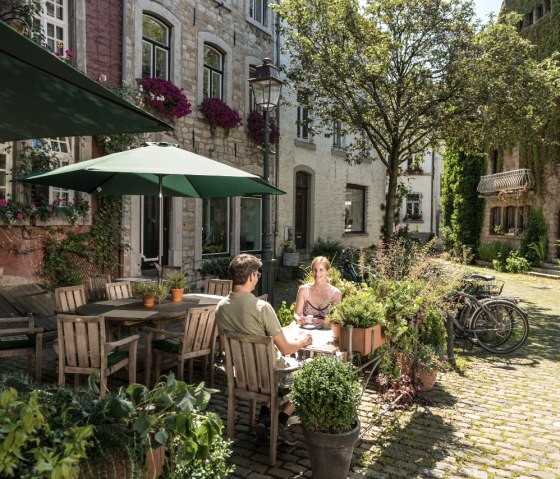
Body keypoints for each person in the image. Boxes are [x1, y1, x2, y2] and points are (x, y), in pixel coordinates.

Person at [215, 253, 312, 446]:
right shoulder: (262, 307)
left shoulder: (221, 307)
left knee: (265, 367)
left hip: (242, 376)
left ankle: (264, 416)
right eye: (258, 274)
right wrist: (303, 341)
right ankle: (282, 420)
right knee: (310, 374)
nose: (258, 278)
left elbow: (225, 347)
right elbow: (284, 348)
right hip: (272, 377)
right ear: (251, 276)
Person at [294, 256, 343, 328]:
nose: (317, 273)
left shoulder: (335, 293)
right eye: (315, 270)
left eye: (321, 270)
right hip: (306, 332)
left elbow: (337, 320)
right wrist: (299, 319)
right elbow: (297, 314)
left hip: (328, 333)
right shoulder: (304, 290)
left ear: (327, 272)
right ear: (311, 272)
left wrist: (324, 323)